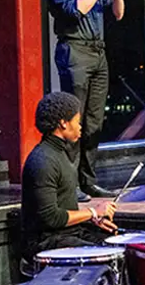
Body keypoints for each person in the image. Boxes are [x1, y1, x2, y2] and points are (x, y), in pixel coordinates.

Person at [46, 0, 125, 199]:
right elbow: (76, 10)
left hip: (98, 54)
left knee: (94, 122)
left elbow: (118, 14)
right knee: (73, 121)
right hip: (75, 52)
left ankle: (88, 181)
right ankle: (70, 185)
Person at [20, 92, 118, 263]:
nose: (80, 127)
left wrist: (93, 218)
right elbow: (51, 218)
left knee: (119, 243)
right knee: (110, 257)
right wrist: (93, 212)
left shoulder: (59, 153)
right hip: (47, 242)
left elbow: (64, 207)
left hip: (69, 234)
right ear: (63, 123)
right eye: (77, 121)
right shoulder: (42, 161)